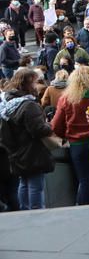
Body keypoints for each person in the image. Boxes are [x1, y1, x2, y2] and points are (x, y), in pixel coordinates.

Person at [0, 67, 62, 209]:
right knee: (35, 185)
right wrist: (50, 125)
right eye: (35, 82)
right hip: (33, 151)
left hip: (17, 151)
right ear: (27, 84)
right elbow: (39, 129)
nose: (37, 85)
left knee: (24, 182)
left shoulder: (7, 104)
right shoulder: (29, 106)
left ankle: (25, 211)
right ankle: (36, 212)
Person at [52, 64, 89, 205]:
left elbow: (56, 126)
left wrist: (65, 135)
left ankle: (86, 209)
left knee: (85, 180)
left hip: (78, 144)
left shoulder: (66, 99)